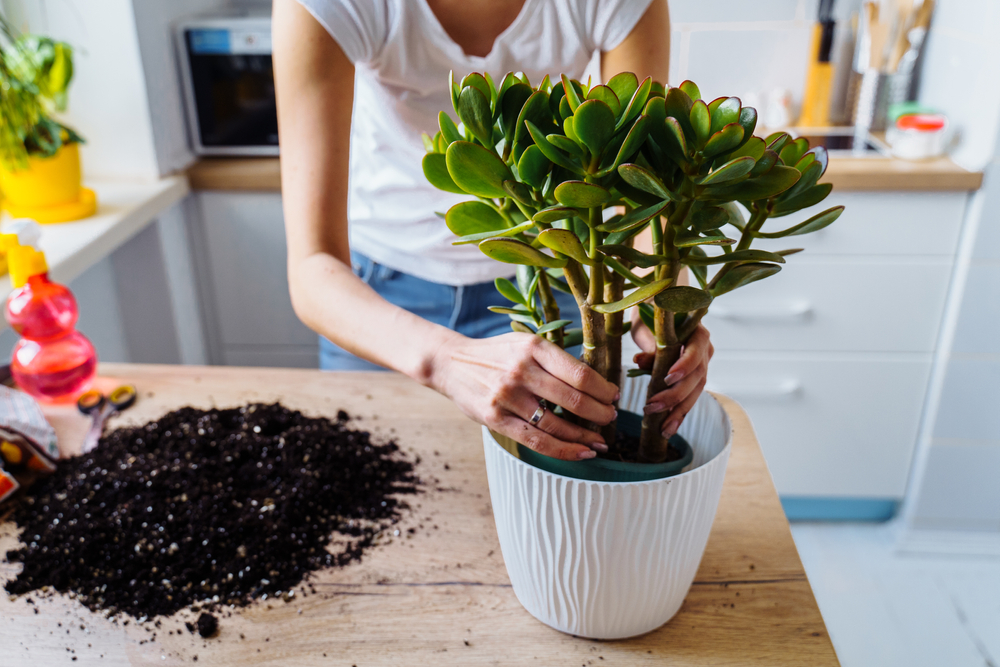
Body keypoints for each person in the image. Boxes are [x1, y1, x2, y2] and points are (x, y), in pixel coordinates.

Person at [272, 0, 713, 462]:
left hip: (557, 288)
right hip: (376, 304)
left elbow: (640, 193)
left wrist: (663, 305)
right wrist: (444, 358)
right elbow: (311, 268)